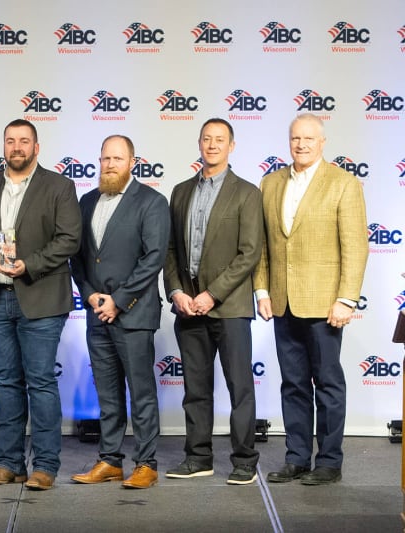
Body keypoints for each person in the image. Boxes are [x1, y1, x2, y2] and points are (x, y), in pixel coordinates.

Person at [0, 119, 82, 490]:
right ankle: (9, 464)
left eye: (24, 141)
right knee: (8, 382)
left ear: (36, 147)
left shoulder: (59, 186)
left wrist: (31, 264)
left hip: (40, 296)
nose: (16, 147)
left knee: (41, 382)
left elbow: (69, 239)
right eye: (10, 141)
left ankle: (44, 466)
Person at [254, 113, 369, 485]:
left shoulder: (343, 183)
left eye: (308, 139)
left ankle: (330, 462)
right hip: (283, 302)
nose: (300, 144)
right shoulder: (269, 183)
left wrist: (347, 299)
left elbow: (356, 247)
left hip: (325, 305)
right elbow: (262, 248)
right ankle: (297, 458)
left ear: (322, 143)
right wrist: (262, 290)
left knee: (329, 383)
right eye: (294, 138)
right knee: (293, 384)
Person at [163, 118, 263, 485]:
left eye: (220, 140)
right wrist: (177, 292)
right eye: (207, 139)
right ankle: (198, 457)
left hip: (230, 307)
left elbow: (249, 253)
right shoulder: (180, 191)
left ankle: (244, 461)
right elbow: (170, 250)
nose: (212, 145)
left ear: (231, 146)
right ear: (200, 143)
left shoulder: (247, 193)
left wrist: (212, 294)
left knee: (240, 387)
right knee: (196, 388)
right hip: (188, 307)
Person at [69, 135, 170, 489]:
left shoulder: (152, 202)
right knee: (107, 393)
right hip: (97, 313)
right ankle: (110, 460)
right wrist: (90, 294)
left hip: (134, 314)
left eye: (117, 158)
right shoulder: (87, 201)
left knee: (141, 393)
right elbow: (78, 258)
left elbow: (153, 258)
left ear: (132, 162)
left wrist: (119, 299)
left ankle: (147, 463)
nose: (110, 164)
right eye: (105, 158)